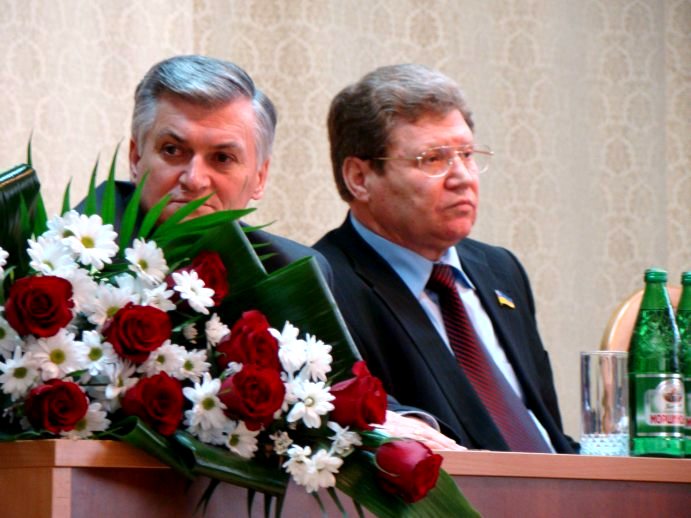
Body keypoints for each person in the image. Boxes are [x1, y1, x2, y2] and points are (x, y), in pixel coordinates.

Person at [94, 55, 458, 449]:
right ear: (136, 158)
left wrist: (399, 421)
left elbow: (337, 384)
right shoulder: (76, 259)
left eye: (222, 158)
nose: (194, 179)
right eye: (172, 150)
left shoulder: (286, 267)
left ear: (260, 178)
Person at [314, 64, 577, 453]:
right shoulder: (324, 287)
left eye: (467, 155)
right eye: (433, 159)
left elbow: (547, 429)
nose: (463, 177)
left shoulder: (501, 270)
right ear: (359, 178)